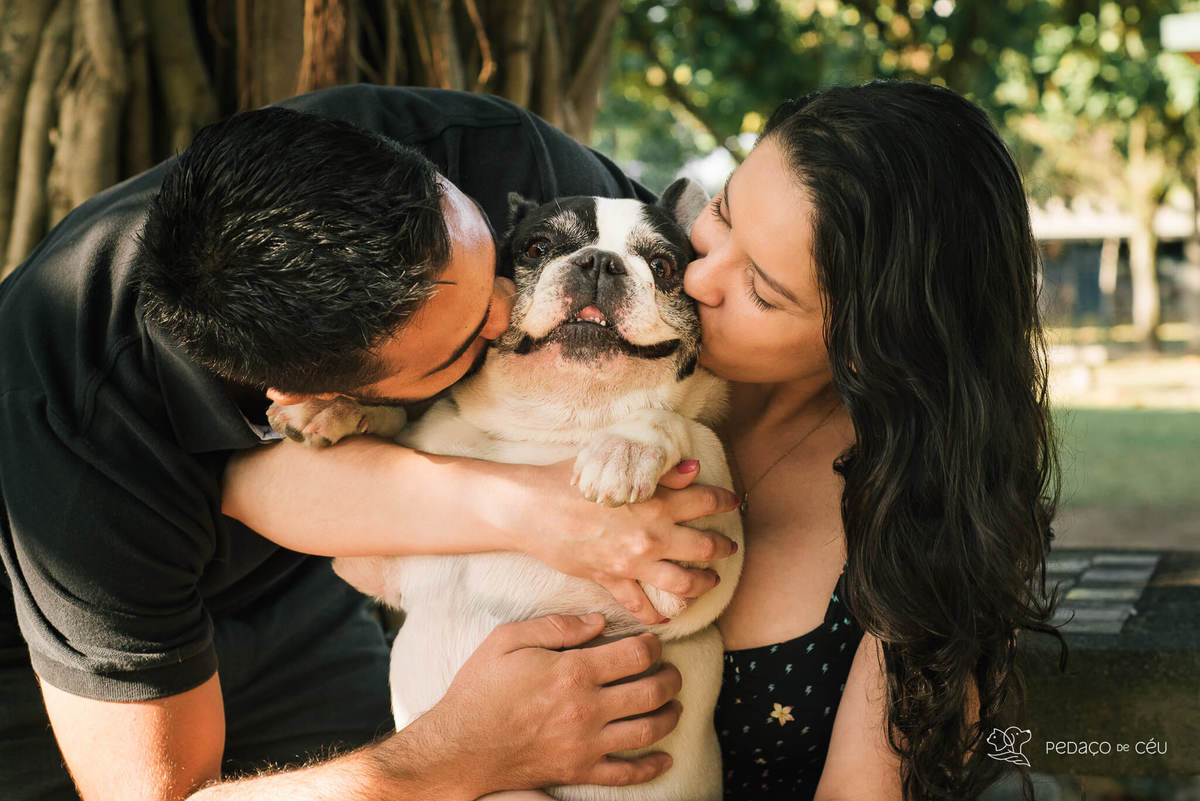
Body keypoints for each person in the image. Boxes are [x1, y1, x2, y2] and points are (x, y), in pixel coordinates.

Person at [227, 81, 1069, 801]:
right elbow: (268, 496)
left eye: (762, 289)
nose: (700, 276)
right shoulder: (547, 357)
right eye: (722, 218)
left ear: (862, 343)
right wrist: (532, 515)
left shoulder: (915, 515)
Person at [0, 85, 740, 801]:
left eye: (498, 264)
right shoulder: (75, 451)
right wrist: (449, 756)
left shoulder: (495, 158)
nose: (511, 309)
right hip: (59, 662)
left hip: (311, 597)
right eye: (466, 340)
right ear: (315, 396)